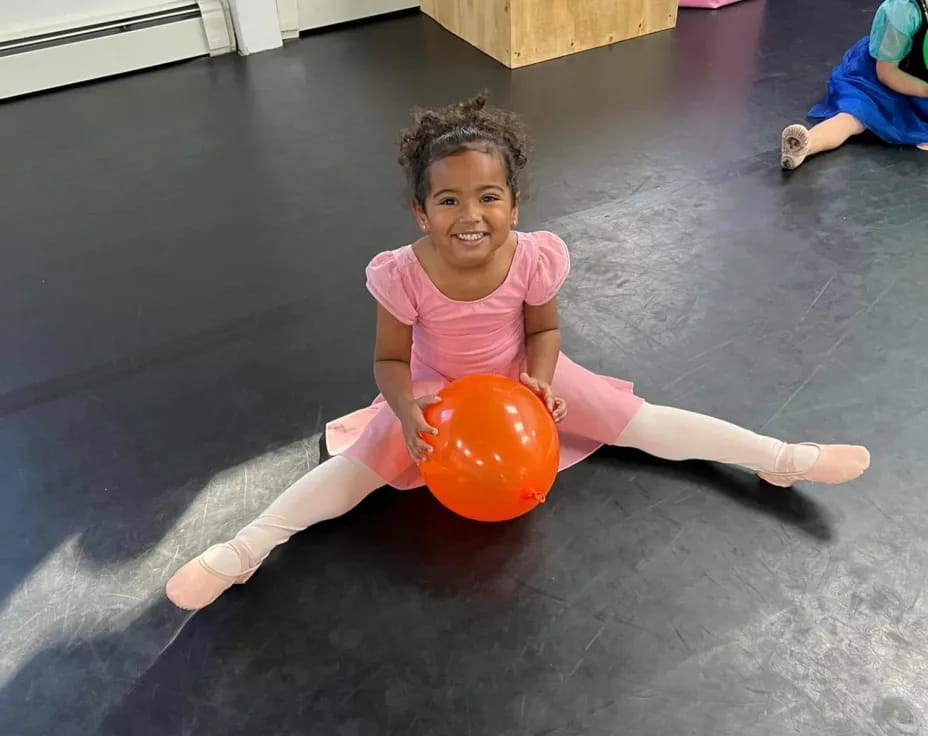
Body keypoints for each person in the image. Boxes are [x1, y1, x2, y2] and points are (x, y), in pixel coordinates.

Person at [167, 95, 870, 611]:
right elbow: (388, 361)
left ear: (515, 202)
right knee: (359, 471)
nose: (469, 216)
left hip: (526, 377)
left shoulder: (533, 259)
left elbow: (542, 332)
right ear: (420, 211)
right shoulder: (401, 273)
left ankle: (780, 459)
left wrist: (538, 382)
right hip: (438, 391)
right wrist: (408, 410)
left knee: (642, 422)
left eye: (488, 197)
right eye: (447, 201)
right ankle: (245, 549)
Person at [781, 0, 928, 169]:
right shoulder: (903, 12)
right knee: (854, 116)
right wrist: (924, 90)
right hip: (887, 81)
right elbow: (887, 73)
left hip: (921, 84)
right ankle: (804, 145)